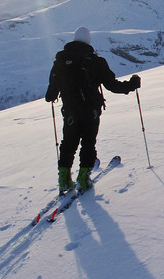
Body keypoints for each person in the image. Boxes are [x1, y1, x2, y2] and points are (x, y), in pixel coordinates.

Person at [45, 26, 141, 193]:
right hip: (91, 111)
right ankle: (83, 178)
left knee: (68, 144)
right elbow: (112, 85)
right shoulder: (96, 62)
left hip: (69, 112)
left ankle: (64, 178)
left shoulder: (60, 62)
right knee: (88, 143)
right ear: (89, 41)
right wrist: (132, 85)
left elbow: (50, 93)